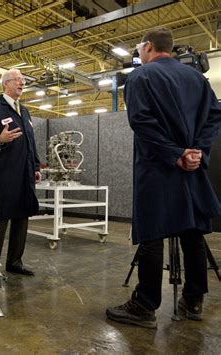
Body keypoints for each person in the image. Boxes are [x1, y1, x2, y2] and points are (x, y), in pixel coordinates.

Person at [106, 28, 221, 329]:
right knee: (192, 231)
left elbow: (142, 122)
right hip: (192, 169)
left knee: (152, 234)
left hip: (157, 168)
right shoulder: (198, 79)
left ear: (147, 47)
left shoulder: (140, 77)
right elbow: (214, 116)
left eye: (138, 49)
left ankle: (144, 305)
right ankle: (193, 300)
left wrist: (174, 154)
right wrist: (196, 152)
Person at [0, 68, 41, 276]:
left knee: (22, 216)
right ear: (6, 84)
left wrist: (35, 166)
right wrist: (0, 139)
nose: (22, 83)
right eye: (17, 80)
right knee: (1, 218)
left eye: (23, 80)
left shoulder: (24, 111)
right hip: (5, 173)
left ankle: (15, 261)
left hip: (24, 172)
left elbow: (30, 141)